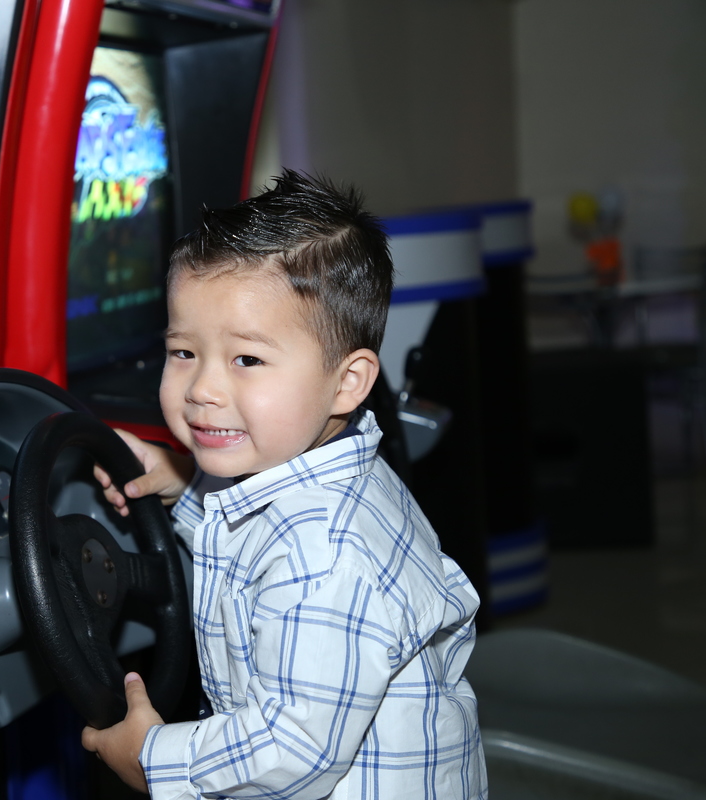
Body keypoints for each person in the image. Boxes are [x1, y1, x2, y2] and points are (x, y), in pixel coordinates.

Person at [82, 170, 486, 799]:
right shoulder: (327, 471)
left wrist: (154, 759)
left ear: (347, 383)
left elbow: (292, 749)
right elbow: (256, 546)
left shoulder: (325, 555)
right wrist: (179, 487)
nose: (202, 389)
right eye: (184, 352)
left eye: (246, 359)